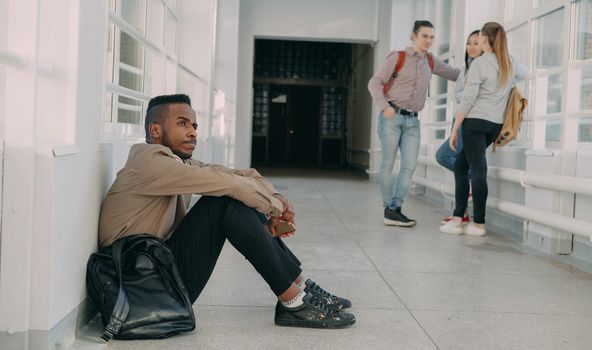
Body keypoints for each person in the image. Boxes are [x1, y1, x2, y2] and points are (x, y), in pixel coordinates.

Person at [98, 94, 355, 329]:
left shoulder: (176, 162)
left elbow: (238, 174)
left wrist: (275, 197)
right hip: (137, 287)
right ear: (155, 130)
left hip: (157, 274)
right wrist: (274, 207)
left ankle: (298, 286)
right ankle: (294, 302)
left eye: (195, 126)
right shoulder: (149, 162)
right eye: (183, 124)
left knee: (234, 197)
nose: (192, 132)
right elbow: (229, 185)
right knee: (223, 201)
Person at [439, 22, 529, 236]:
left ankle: (478, 223)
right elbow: (527, 75)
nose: (477, 41)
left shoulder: (480, 63)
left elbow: (468, 99)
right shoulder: (510, 62)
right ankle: (458, 218)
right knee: (462, 168)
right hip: (494, 126)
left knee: (478, 171)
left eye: (479, 37)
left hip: (475, 123)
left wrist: (455, 128)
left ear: (485, 38)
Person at [368, 20, 460, 227]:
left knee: (409, 166)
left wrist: (481, 67)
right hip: (392, 117)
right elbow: (374, 82)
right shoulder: (398, 57)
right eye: (424, 36)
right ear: (414, 36)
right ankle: (389, 209)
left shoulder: (431, 61)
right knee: (388, 163)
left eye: (431, 37)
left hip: (413, 122)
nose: (428, 40)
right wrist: (385, 107)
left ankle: (395, 208)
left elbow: (454, 74)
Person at [436, 30, 482, 225]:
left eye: (476, 43)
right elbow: (460, 97)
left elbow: (472, 98)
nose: (471, 47)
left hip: (471, 121)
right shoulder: (466, 67)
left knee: (444, 156)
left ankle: (474, 181)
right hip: (459, 119)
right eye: (469, 43)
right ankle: (461, 213)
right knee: (459, 167)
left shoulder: (484, 68)